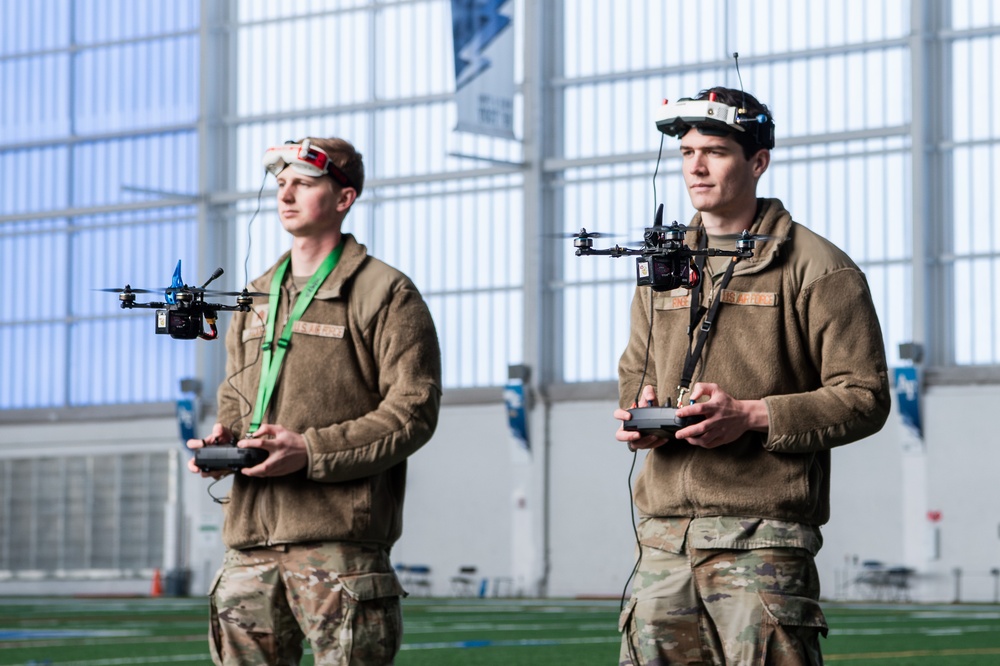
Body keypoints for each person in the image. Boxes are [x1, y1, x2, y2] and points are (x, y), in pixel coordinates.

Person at [614, 88, 891, 664]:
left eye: (713, 151)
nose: (695, 165)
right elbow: (633, 367)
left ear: (757, 161)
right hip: (663, 540)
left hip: (761, 540)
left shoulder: (820, 268)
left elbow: (864, 396)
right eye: (687, 151)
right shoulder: (661, 266)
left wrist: (750, 416)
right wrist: (642, 414)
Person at [187, 136, 442, 665]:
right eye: (281, 184)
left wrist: (311, 449)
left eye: (303, 183)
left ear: (344, 198)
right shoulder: (255, 296)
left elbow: (412, 412)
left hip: (339, 548)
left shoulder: (386, 293)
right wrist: (226, 439)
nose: (286, 195)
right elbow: (237, 394)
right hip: (249, 544)